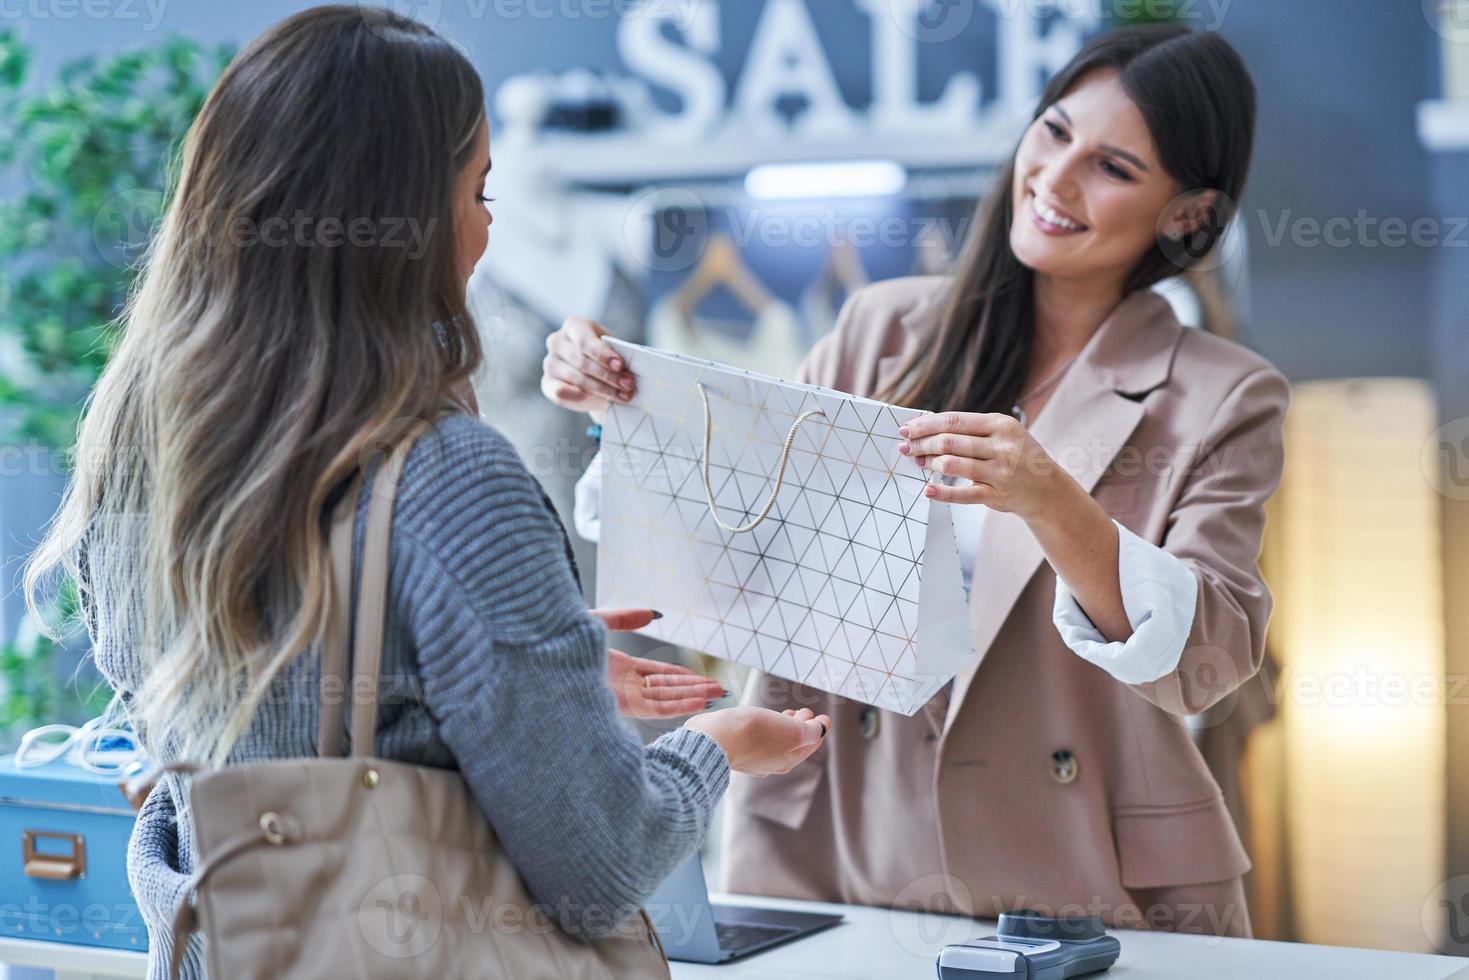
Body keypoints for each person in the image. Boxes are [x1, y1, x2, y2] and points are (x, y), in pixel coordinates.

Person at [23, 8, 828, 978]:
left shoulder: (136, 455)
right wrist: (711, 744)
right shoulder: (452, 481)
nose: (489, 226)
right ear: (399, 223)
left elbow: (218, 730)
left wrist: (524, 683)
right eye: (478, 189)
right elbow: (601, 864)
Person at [542, 24, 1285, 937]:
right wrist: (617, 409)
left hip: (1088, 880)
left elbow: (1207, 659)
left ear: (1185, 213)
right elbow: (727, 552)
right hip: (831, 846)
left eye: (1112, 168)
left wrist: (1052, 502)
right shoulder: (876, 330)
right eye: (1052, 132)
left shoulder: (1221, 394)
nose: (1053, 179)